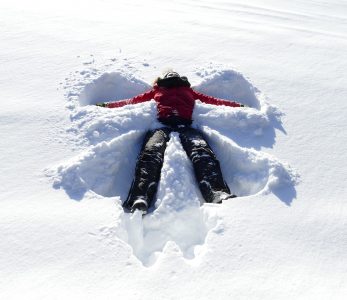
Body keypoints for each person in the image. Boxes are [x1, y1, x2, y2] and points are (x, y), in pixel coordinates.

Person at [96, 71, 244, 214]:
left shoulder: (188, 90)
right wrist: (107, 105)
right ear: (162, 77)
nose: (172, 74)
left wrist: (237, 105)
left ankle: (217, 192)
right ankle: (140, 197)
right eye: (169, 73)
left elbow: (214, 101)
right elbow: (132, 101)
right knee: (151, 153)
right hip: (162, 126)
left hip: (185, 126)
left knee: (202, 152)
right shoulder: (158, 90)